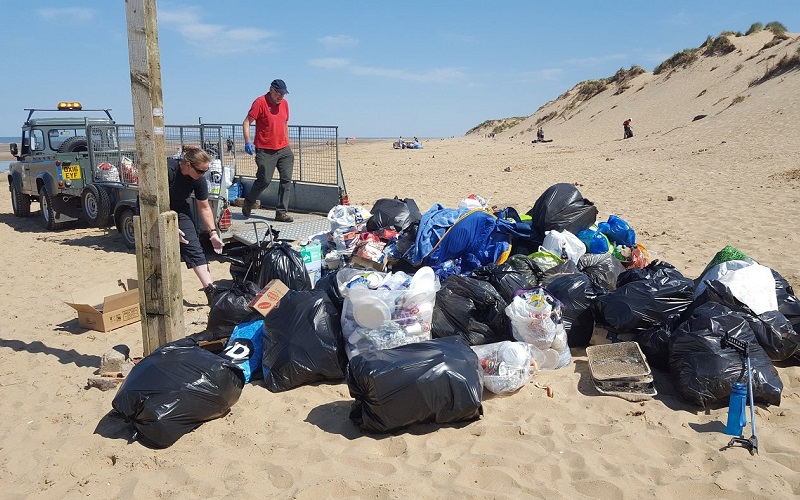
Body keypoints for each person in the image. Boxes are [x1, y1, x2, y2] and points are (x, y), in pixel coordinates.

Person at [168, 146, 225, 303]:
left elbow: (204, 207)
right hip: (154, 208)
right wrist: (171, 228)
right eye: (200, 171)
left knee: (193, 244)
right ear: (187, 164)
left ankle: (210, 290)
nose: (203, 175)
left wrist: (213, 233)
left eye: (206, 171)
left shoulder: (198, 180)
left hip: (179, 207)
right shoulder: (169, 170)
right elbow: (153, 201)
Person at [242, 79, 295, 222]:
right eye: (279, 93)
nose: (281, 97)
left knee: (286, 180)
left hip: (284, 149)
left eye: (283, 94)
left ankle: (281, 213)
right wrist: (247, 141)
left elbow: (285, 124)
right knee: (264, 180)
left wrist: (287, 143)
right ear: (271, 90)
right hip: (265, 149)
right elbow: (246, 122)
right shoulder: (260, 102)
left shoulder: (285, 104)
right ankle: (249, 201)